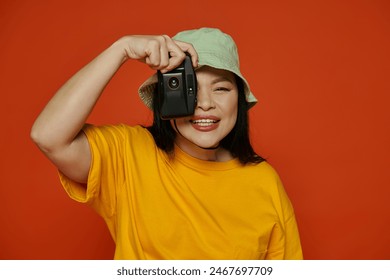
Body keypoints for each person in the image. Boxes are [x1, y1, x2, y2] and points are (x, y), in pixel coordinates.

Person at [31, 27, 303, 260]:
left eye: (221, 88)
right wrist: (122, 49)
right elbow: (49, 136)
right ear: (164, 100)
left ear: (239, 102)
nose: (205, 103)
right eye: (189, 88)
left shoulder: (264, 182)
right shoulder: (130, 154)